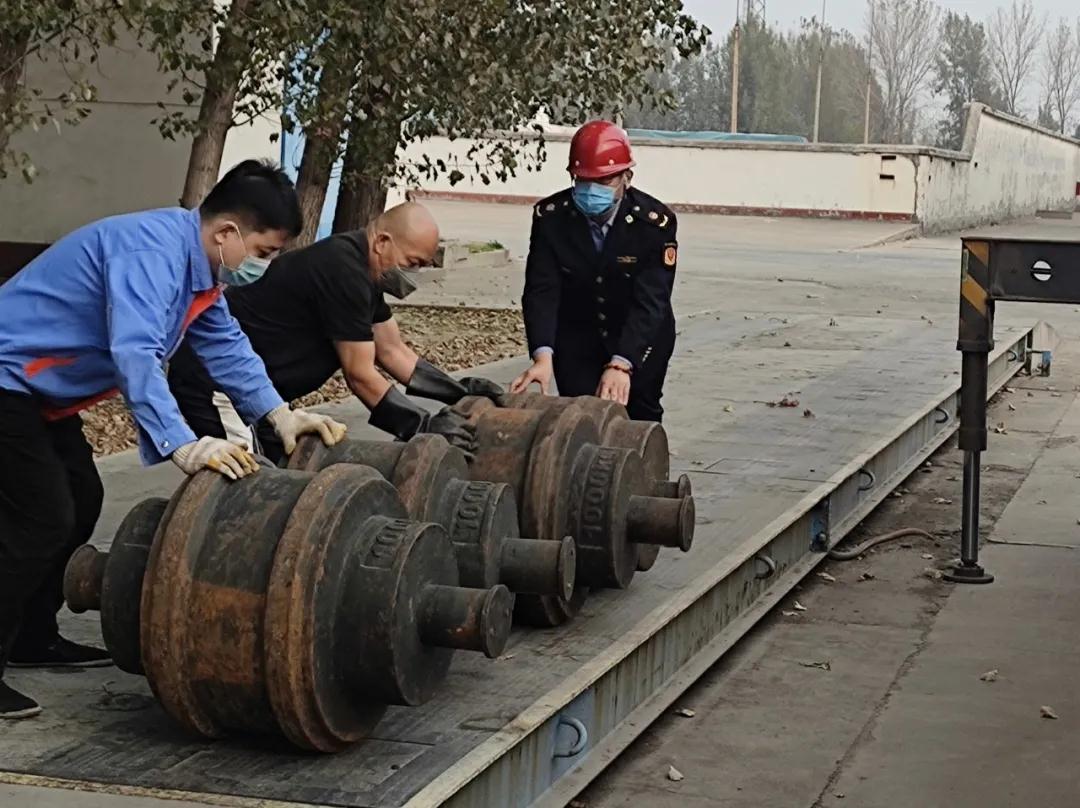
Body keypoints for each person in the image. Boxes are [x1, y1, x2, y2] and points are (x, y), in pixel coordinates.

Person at [0, 159, 347, 720]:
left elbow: (225, 344)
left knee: (81, 500)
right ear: (227, 232)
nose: (265, 264)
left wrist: (280, 415)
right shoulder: (151, 254)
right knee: (39, 518)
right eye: (264, 251)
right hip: (6, 379)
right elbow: (135, 353)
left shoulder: (200, 272)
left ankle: (30, 637)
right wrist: (184, 444)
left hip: (37, 391)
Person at [167, 201, 501, 464]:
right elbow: (360, 375)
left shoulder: (364, 272)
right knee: (244, 481)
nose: (414, 275)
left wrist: (457, 392)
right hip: (218, 383)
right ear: (382, 242)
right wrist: (422, 426)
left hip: (263, 392)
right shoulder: (343, 270)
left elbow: (391, 351)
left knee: (284, 470)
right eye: (412, 263)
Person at [510, 120, 679, 423]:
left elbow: (651, 301)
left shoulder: (654, 224)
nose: (592, 190)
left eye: (604, 180)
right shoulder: (552, 218)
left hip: (638, 335)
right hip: (578, 336)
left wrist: (622, 364)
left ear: (626, 177)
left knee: (639, 416)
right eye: (584, 180)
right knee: (580, 418)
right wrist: (542, 356)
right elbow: (542, 290)